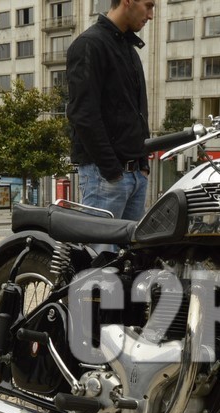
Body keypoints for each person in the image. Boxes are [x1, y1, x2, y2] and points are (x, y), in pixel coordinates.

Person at [66, 0, 155, 252]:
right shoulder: (90, 44)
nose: (151, 15)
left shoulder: (129, 49)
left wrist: (142, 165)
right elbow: (82, 114)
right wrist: (112, 171)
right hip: (105, 175)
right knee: (99, 262)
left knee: (130, 262)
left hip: (134, 174)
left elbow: (138, 112)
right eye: (148, 6)